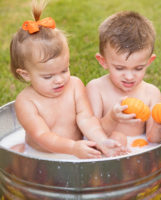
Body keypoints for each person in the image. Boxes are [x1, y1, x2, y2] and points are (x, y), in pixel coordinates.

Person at [10, 0, 126, 159]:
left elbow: (86, 118)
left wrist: (101, 140)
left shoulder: (75, 85)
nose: (59, 80)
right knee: (15, 155)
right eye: (48, 76)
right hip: (42, 156)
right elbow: (42, 135)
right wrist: (72, 148)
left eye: (64, 70)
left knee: (117, 138)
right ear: (25, 74)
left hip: (78, 148)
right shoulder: (26, 101)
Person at [86, 11, 161, 146]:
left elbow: (154, 139)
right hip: (106, 150)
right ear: (103, 61)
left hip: (140, 149)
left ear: (149, 61)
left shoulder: (151, 93)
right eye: (120, 68)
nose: (129, 77)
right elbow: (90, 135)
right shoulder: (96, 89)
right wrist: (112, 118)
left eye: (138, 68)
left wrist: (160, 123)